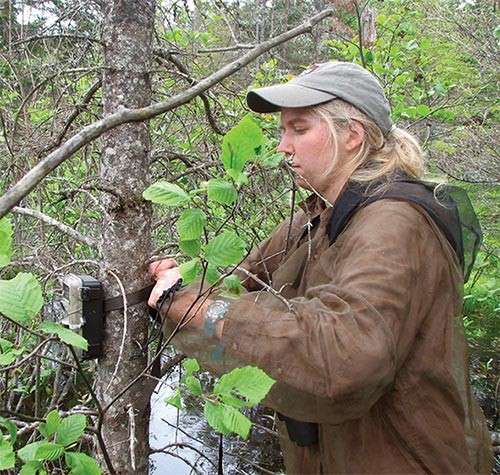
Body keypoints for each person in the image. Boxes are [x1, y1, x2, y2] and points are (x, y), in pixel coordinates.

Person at [148, 62, 493, 474]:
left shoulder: (394, 223)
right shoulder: (313, 220)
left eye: (299, 129)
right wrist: (173, 284)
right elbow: (237, 285)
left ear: (352, 135)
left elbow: (344, 350)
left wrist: (195, 306)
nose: (283, 147)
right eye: (282, 131)